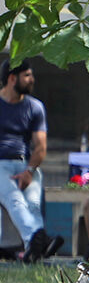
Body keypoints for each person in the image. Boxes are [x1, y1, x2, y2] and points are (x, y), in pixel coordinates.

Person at [0, 59, 63, 261]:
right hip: (0, 165)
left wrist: (29, 170)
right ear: (12, 78)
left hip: (27, 163)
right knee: (15, 199)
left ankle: (33, 251)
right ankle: (39, 243)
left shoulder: (35, 107)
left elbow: (40, 147)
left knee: (33, 204)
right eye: (27, 75)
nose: (32, 79)